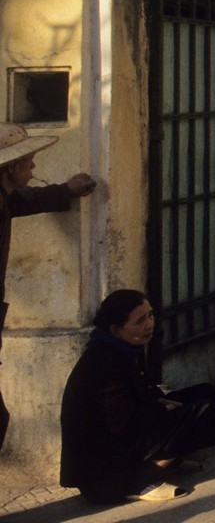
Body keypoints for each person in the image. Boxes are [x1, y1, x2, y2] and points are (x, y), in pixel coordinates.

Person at [59, 289, 215, 503]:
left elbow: (139, 389)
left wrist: (159, 400)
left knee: (206, 394)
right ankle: (141, 480)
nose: (149, 324)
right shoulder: (104, 361)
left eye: (150, 315)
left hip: (126, 435)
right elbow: (122, 423)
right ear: (116, 329)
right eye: (140, 321)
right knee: (195, 412)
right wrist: (161, 408)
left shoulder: (123, 348)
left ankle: (168, 460)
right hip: (104, 472)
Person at [0, 122, 96, 447]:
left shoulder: (5, 197)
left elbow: (23, 201)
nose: (33, 167)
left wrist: (66, 190)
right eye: (28, 162)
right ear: (12, 167)